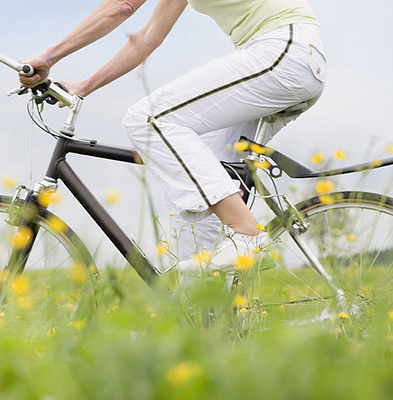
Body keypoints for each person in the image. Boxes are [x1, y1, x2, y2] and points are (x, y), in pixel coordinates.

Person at [19, 0, 326, 264]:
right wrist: (85, 86)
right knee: (194, 177)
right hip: (296, 59)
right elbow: (147, 38)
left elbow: (121, 6)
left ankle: (246, 234)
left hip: (282, 52)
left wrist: (48, 57)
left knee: (146, 120)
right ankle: (198, 307)